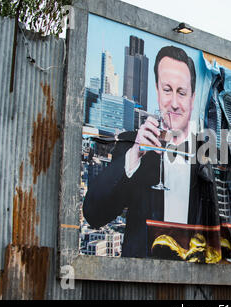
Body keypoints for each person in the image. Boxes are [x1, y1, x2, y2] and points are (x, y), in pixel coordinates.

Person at [83, 46, 218, 259]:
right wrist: (133, 156)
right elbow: (93, 215)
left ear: (192, 98)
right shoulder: (132, 144)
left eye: (181, 92)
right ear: (156, 90)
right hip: (142, 284)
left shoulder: (205, 152)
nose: (174, 103)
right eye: (167, 89)